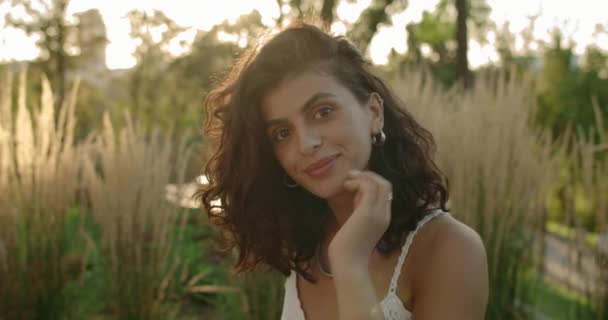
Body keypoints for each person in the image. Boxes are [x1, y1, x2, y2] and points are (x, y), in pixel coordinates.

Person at [198, 22, 488, 320]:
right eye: (282, 133)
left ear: (374, 113)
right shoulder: (305, 244)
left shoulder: (449, 249)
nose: (307, 143)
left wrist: (349, 262)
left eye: (323, 112)